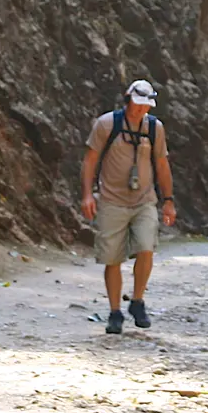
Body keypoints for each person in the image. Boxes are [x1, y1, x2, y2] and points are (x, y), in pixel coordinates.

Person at [79, 79, 177, 333]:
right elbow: (90, 160)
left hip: (144, 200)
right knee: (112, 258)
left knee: (146, 248)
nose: (141, 110)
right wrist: (88, 195)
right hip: (112, 200)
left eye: (146, 106)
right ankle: (114, 312)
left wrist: (168, 200)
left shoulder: (155, 129)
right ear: (127, 100)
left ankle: (137, 301)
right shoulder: (106, 124)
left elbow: (162, 166)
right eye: (137, 105)